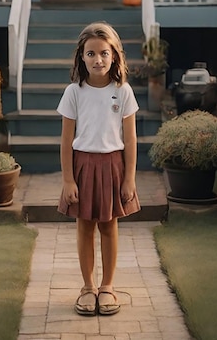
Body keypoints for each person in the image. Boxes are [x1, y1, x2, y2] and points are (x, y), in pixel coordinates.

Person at [57, 21, 141, 317]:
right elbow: (66, 141)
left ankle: (107, 287)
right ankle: (88, 287)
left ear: (115, 56)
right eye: (91, 54)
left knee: (108, 225)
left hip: (113, 165)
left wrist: (129, 178)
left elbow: (130, 140)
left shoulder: (124, 91)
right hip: (82, 165)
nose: (98, 59)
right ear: (81, 56)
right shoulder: (73, 92)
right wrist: (68, 179)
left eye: (104, 53)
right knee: (85, 227)